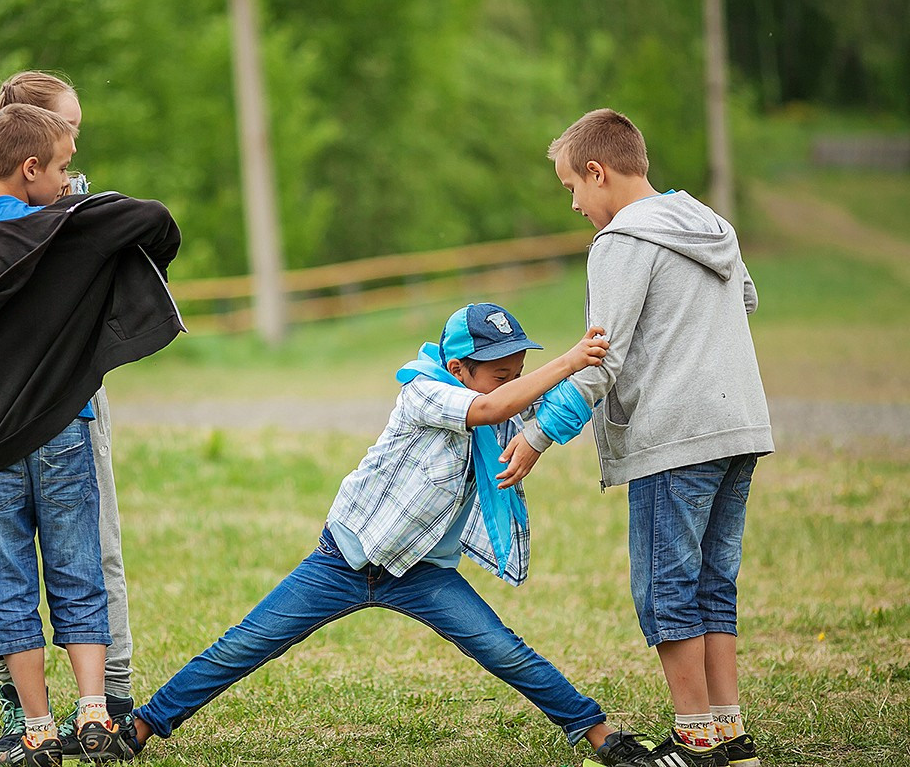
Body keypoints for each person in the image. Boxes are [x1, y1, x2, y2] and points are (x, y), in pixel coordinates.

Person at [116, 303, 652, 766]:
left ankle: (595, 731)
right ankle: (142, 727)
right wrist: (566, 359)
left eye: (519, 371)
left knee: (504, 651)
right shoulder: (422, 390)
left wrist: (577, 380)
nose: (513, 383)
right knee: (246, 644)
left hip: (423, 574)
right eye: (500, 373)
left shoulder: (503, 393)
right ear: (457, 368)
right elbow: (491, 408)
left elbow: (548, 402)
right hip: (344, 561)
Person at [0, 102, 182, 765]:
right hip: (63, 434)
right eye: (63, 169)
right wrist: (84, 210)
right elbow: (159, 224)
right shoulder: (66, 230)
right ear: (29, 169)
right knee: (79, 572)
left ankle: (38, 728)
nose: (69, 182)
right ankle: (96, 713)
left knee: (4, 584)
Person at [497, 109, 772, 767]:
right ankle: (731, 737)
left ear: (598, 172)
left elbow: (601, 360)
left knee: (667, 589)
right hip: (739, 427)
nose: (574, 204)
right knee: (712, 584)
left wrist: (536, 434)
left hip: (674, 436)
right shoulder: (711, 225)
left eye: (571, 188)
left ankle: (693, 738)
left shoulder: (621, 241)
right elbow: (748, 301)